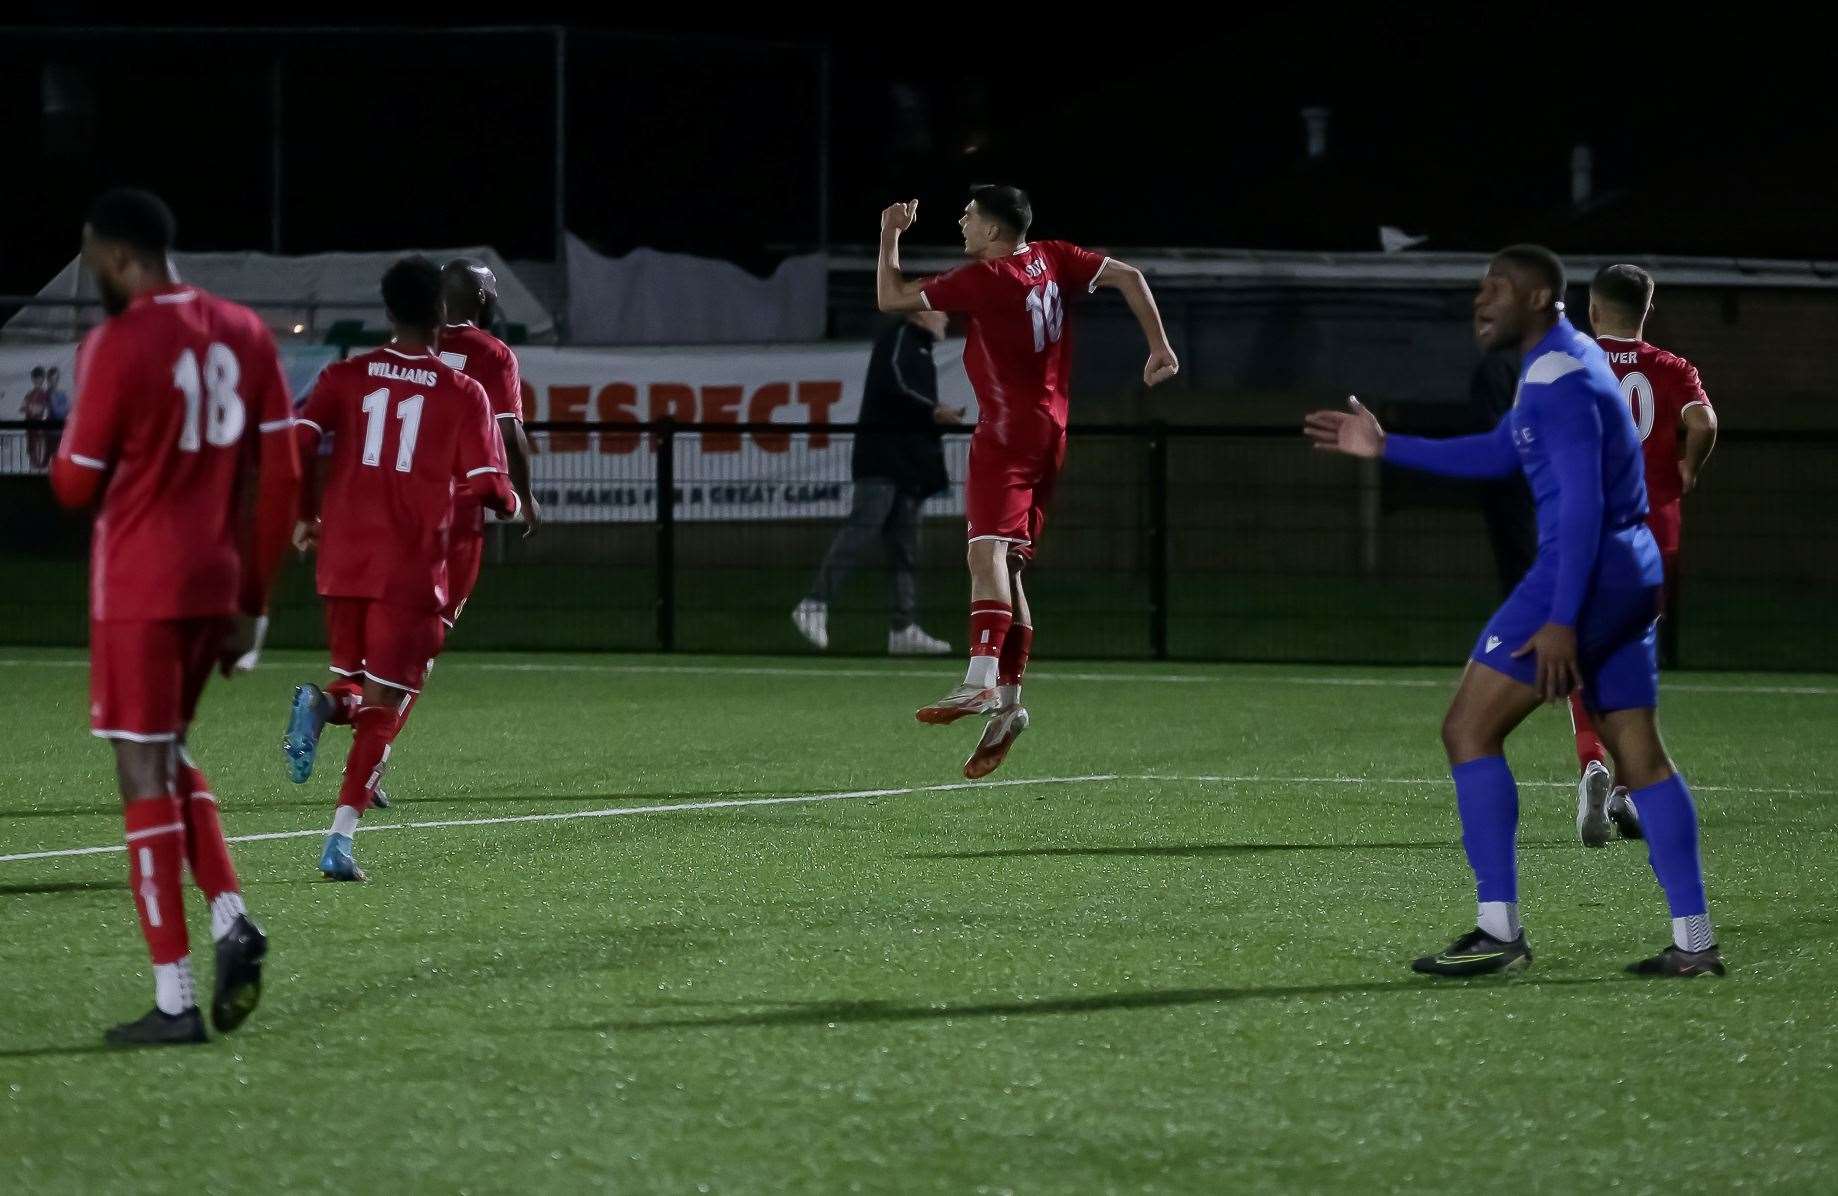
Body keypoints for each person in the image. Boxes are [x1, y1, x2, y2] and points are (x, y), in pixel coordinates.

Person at [1303, 244, 1722, 979]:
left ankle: (1500, 932)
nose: (1480, 301)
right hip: (1630, 572)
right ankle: (1695, 941)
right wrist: (1387, 445)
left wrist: (1560, 618)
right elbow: (1502, 451)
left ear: (1540, 299)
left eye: (1496, 289)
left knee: (1468, 728)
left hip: (1581, 571)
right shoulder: (1561, 360)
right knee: (1642, 760)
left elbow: (1585, 501)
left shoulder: (1560, 375)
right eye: (1478, 289)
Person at [49, 187, 301, 1046]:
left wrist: (75, 449)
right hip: (215, 585)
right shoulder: (247, 331)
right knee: (171, 752)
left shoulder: (116, 344)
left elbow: (75, 483)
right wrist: (254, 604)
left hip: (141, 585)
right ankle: (233, 919)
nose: (95, 278)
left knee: (140, 770)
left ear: (120, 258)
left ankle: (173, 999)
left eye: (94, 263)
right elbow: (283, 474)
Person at [875, 186, 1178, 779]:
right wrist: (1160, 347)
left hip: (1007, 434)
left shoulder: (986, 278)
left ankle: (980, 680)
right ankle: (1009, 703)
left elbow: (890, 296)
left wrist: (890, 233)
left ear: (991, 230)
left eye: (968, 215)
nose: (962, 222)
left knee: (984, 550)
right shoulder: (1054, 255)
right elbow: (1132, 276)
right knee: (1009, 566)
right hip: (1051, 432)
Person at [283, 256, 518, 882]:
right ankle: (339, 841)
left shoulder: (344, 375)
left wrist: (305, 515)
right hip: (410, 566)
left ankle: (320, 704)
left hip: (342, 559)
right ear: (442, 312)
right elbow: (491, 487)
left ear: (387, 312)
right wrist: (515, 499)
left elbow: (297, 441)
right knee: (387, 703)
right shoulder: (463, 392)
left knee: (355, 690)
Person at [1570, 264, 1718, 847]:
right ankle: (1628, 790)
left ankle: (1593, 763)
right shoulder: (1670, 368)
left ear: (1593, 308)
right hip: (1654, 533)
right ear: (1646, 311)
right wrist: (1688, 466)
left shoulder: (1571, 362)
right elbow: (1702, 421)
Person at [793, 309, 961, 655]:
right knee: (863, 528)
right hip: (882, 459)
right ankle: (814, 603)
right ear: (917, 314)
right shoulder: (899, 337)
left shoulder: (922, 348)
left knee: (905, 549)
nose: (945, 317)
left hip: (908, 466)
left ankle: (903, 629)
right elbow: (895, 384)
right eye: (938, 310)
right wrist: (932, 410)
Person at [22, 366, 53, 469]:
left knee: (42, 451)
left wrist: (32, 408)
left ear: (43, 379)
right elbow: (23, 408)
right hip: (30, 428)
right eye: (35, 378)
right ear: (32, 379)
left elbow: (45, 410)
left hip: (41, 429)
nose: (37, 381)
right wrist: (31, 408)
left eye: (40, 378)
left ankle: (41, 469)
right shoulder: (29, 394)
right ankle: (34, 468)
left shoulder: (46, 394)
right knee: (31, 450)